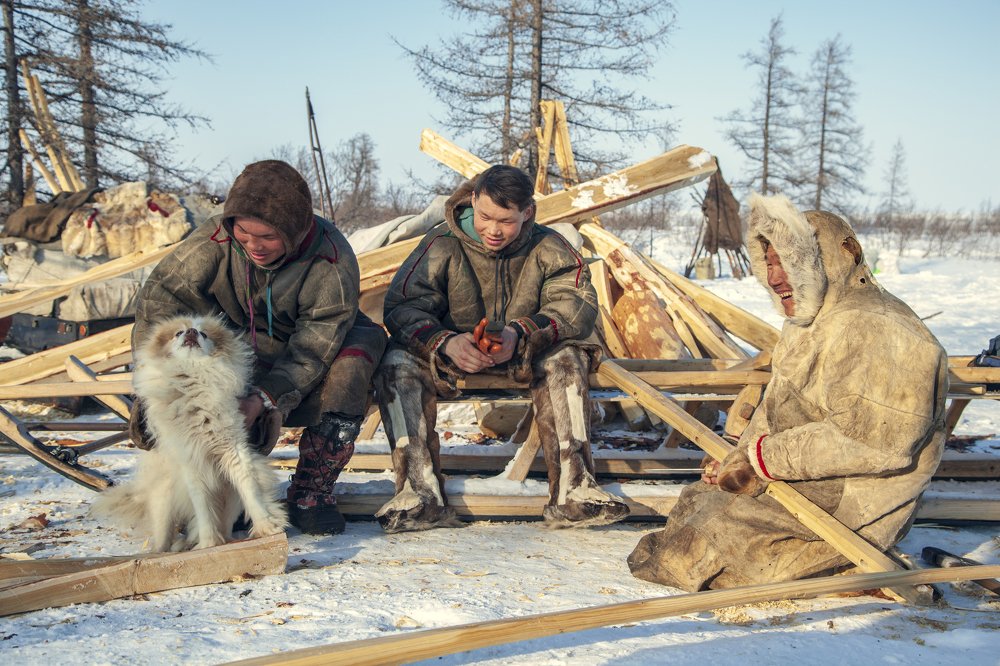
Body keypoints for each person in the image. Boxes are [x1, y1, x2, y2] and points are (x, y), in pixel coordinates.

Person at [627, 193, 948, 591]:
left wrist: (762, 460)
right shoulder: (807, 324)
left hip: (851, 496)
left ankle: (851, 567)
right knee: (694, 506)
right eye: (770, 263)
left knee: (692, 550)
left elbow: (874, 443)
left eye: (788, 262)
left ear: (825, 261)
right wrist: (737, 458)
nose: (776, 277)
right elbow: (776, 409)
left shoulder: (881, 328)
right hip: (801, 477)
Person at [131, 160, 387, 535]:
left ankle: (311, 492)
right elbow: (161, 302)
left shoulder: (330, 257)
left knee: (353, 363)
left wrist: (265, 398)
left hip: (321, 347)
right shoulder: (213, 241)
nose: (254, 246)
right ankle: (215, 493)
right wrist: (155, 382)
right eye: (244, 234)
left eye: (267, 237)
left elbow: (316, 342)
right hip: (238, 343)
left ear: (295, 231)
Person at [373, 164, 630, 533]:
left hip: (526, 355)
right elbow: (402, 306)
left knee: (569, 359)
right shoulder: (438, 243)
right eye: (485, 216)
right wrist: (444, 341)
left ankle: (575, 490)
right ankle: (419, 494)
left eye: (506, 221)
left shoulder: (549, 246)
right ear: (472, 200)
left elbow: (576, 303)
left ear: (527, 212)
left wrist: (521, 333)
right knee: (395, 362)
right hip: (451, 359)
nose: (494, 230)